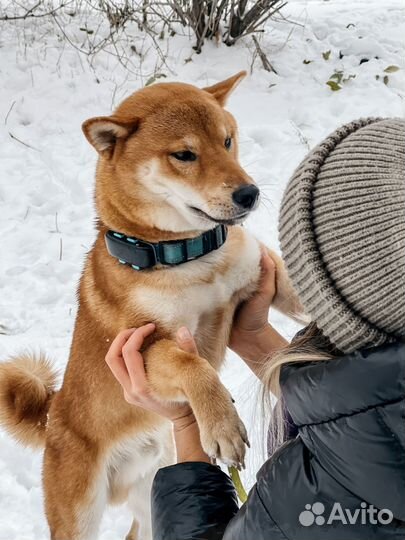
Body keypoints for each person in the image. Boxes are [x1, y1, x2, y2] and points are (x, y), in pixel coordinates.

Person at [106, 118, 405, 540]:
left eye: (301, 264)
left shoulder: (323, 500)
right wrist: (254, 339)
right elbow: (375, 414)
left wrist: (189, 424)